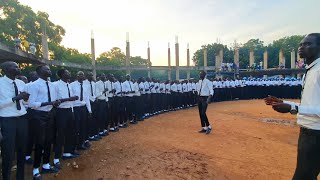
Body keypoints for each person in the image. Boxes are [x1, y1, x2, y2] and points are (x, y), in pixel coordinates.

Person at [264, 33, 320, 180]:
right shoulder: (309, 71)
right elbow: (311, 104)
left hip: (316, 134)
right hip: (308, 132)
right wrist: (288, 104)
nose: (302, 47)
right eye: (301, 44)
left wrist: (293, 108)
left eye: (308, 44)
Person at [28, 65, 61, 179]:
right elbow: (31, 104)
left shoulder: (52, 85)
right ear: (39, 72)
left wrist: (55, 103)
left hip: (50, 114)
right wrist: (48, 103)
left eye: (49, 69)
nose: (49, 70)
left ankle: (46, 165)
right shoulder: (34, 85)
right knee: (39, 142)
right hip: (38, 116)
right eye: (46, 69)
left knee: (48, 141)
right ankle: (36, 169)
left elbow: (54, 100)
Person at [0, 61, 29, 180]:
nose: (18, 68)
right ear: (5, 69)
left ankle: (20, 177)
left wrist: (25, 98)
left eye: (18, 66)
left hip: (22, 118)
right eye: (14, 66)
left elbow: (25, 102)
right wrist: (15, 98)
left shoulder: (21, 82)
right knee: (8, 152)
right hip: (8, 121)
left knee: (22, 150)